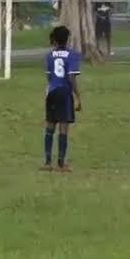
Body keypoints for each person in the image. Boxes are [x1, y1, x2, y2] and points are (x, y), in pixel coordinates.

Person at [43, 24, 82, 172]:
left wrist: (52, 86)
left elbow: (49, 76)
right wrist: (78, 96)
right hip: (64, 93)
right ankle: (61, 163)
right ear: (67, 40)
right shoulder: (72, 55)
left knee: (50, 126)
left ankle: (47, 162)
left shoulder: (50, 55)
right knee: (63, 127)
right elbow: (71, 77)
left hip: (52, 92)